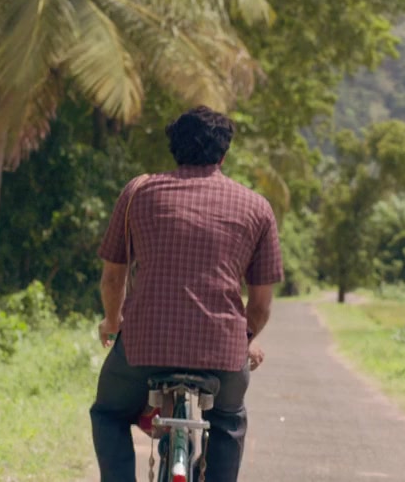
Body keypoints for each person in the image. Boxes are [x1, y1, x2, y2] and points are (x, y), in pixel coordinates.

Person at [90, 105, 282, 482]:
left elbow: (113, 279)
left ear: (174, 149)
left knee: (109, 414)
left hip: (144, 347)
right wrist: (243, 339)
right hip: (222, 354)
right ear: (223, 154)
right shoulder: (257, 207)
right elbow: (260, 305)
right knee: (227, 421)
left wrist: (112, 322)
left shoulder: (138, 193)